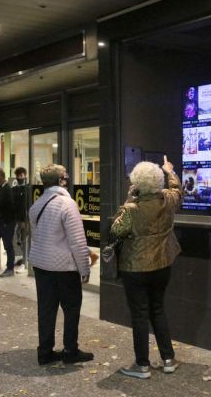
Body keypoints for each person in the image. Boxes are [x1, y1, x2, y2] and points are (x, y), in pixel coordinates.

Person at [110, 156, 182, 379]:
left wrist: (127, 199)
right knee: (157, 309)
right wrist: (170, 170)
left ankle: (142, 365)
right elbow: (178, 190)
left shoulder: (132, 208)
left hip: (136, 268)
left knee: (140, 315)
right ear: (158, 181)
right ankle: (168, 359)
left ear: (136, 183)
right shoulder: (168, 200)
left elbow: (116, 231)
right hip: (162, 264)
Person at [29, 164, 96, 365]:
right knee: (71, 308)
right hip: (64, 268)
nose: (67, 180)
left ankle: (45, 352)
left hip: (41, 266)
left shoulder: (36, 205)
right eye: (65, 177)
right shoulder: (67, 204)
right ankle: (70, 351)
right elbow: (77, 241)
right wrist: (84, 268)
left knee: (46, 309)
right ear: (60, 180)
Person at [11, 167, 30, 269]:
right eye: (18, 175)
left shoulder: (28, 189)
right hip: (16, 218)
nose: (19, 177)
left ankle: (25, 259)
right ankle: (23, 258)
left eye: (21, 175)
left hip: (25, 218)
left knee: (24, 238)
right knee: (18, 238)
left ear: (25, 176)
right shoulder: (14, 189)